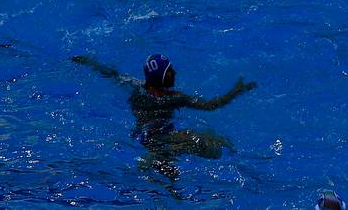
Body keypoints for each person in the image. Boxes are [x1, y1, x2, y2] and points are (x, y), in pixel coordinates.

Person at [72, 53, 255, 179]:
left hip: (141, 137)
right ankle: (160, 155)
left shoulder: (136, 87)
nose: (174, 72)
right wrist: (236, 92)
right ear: (160, 77)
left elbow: (111, 74)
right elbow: (210, 106)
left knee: (172, 178)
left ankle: (159, 157)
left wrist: (89, 62)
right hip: (163, 138)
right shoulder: (173, 98)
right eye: (169, 70)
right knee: (211, 145)